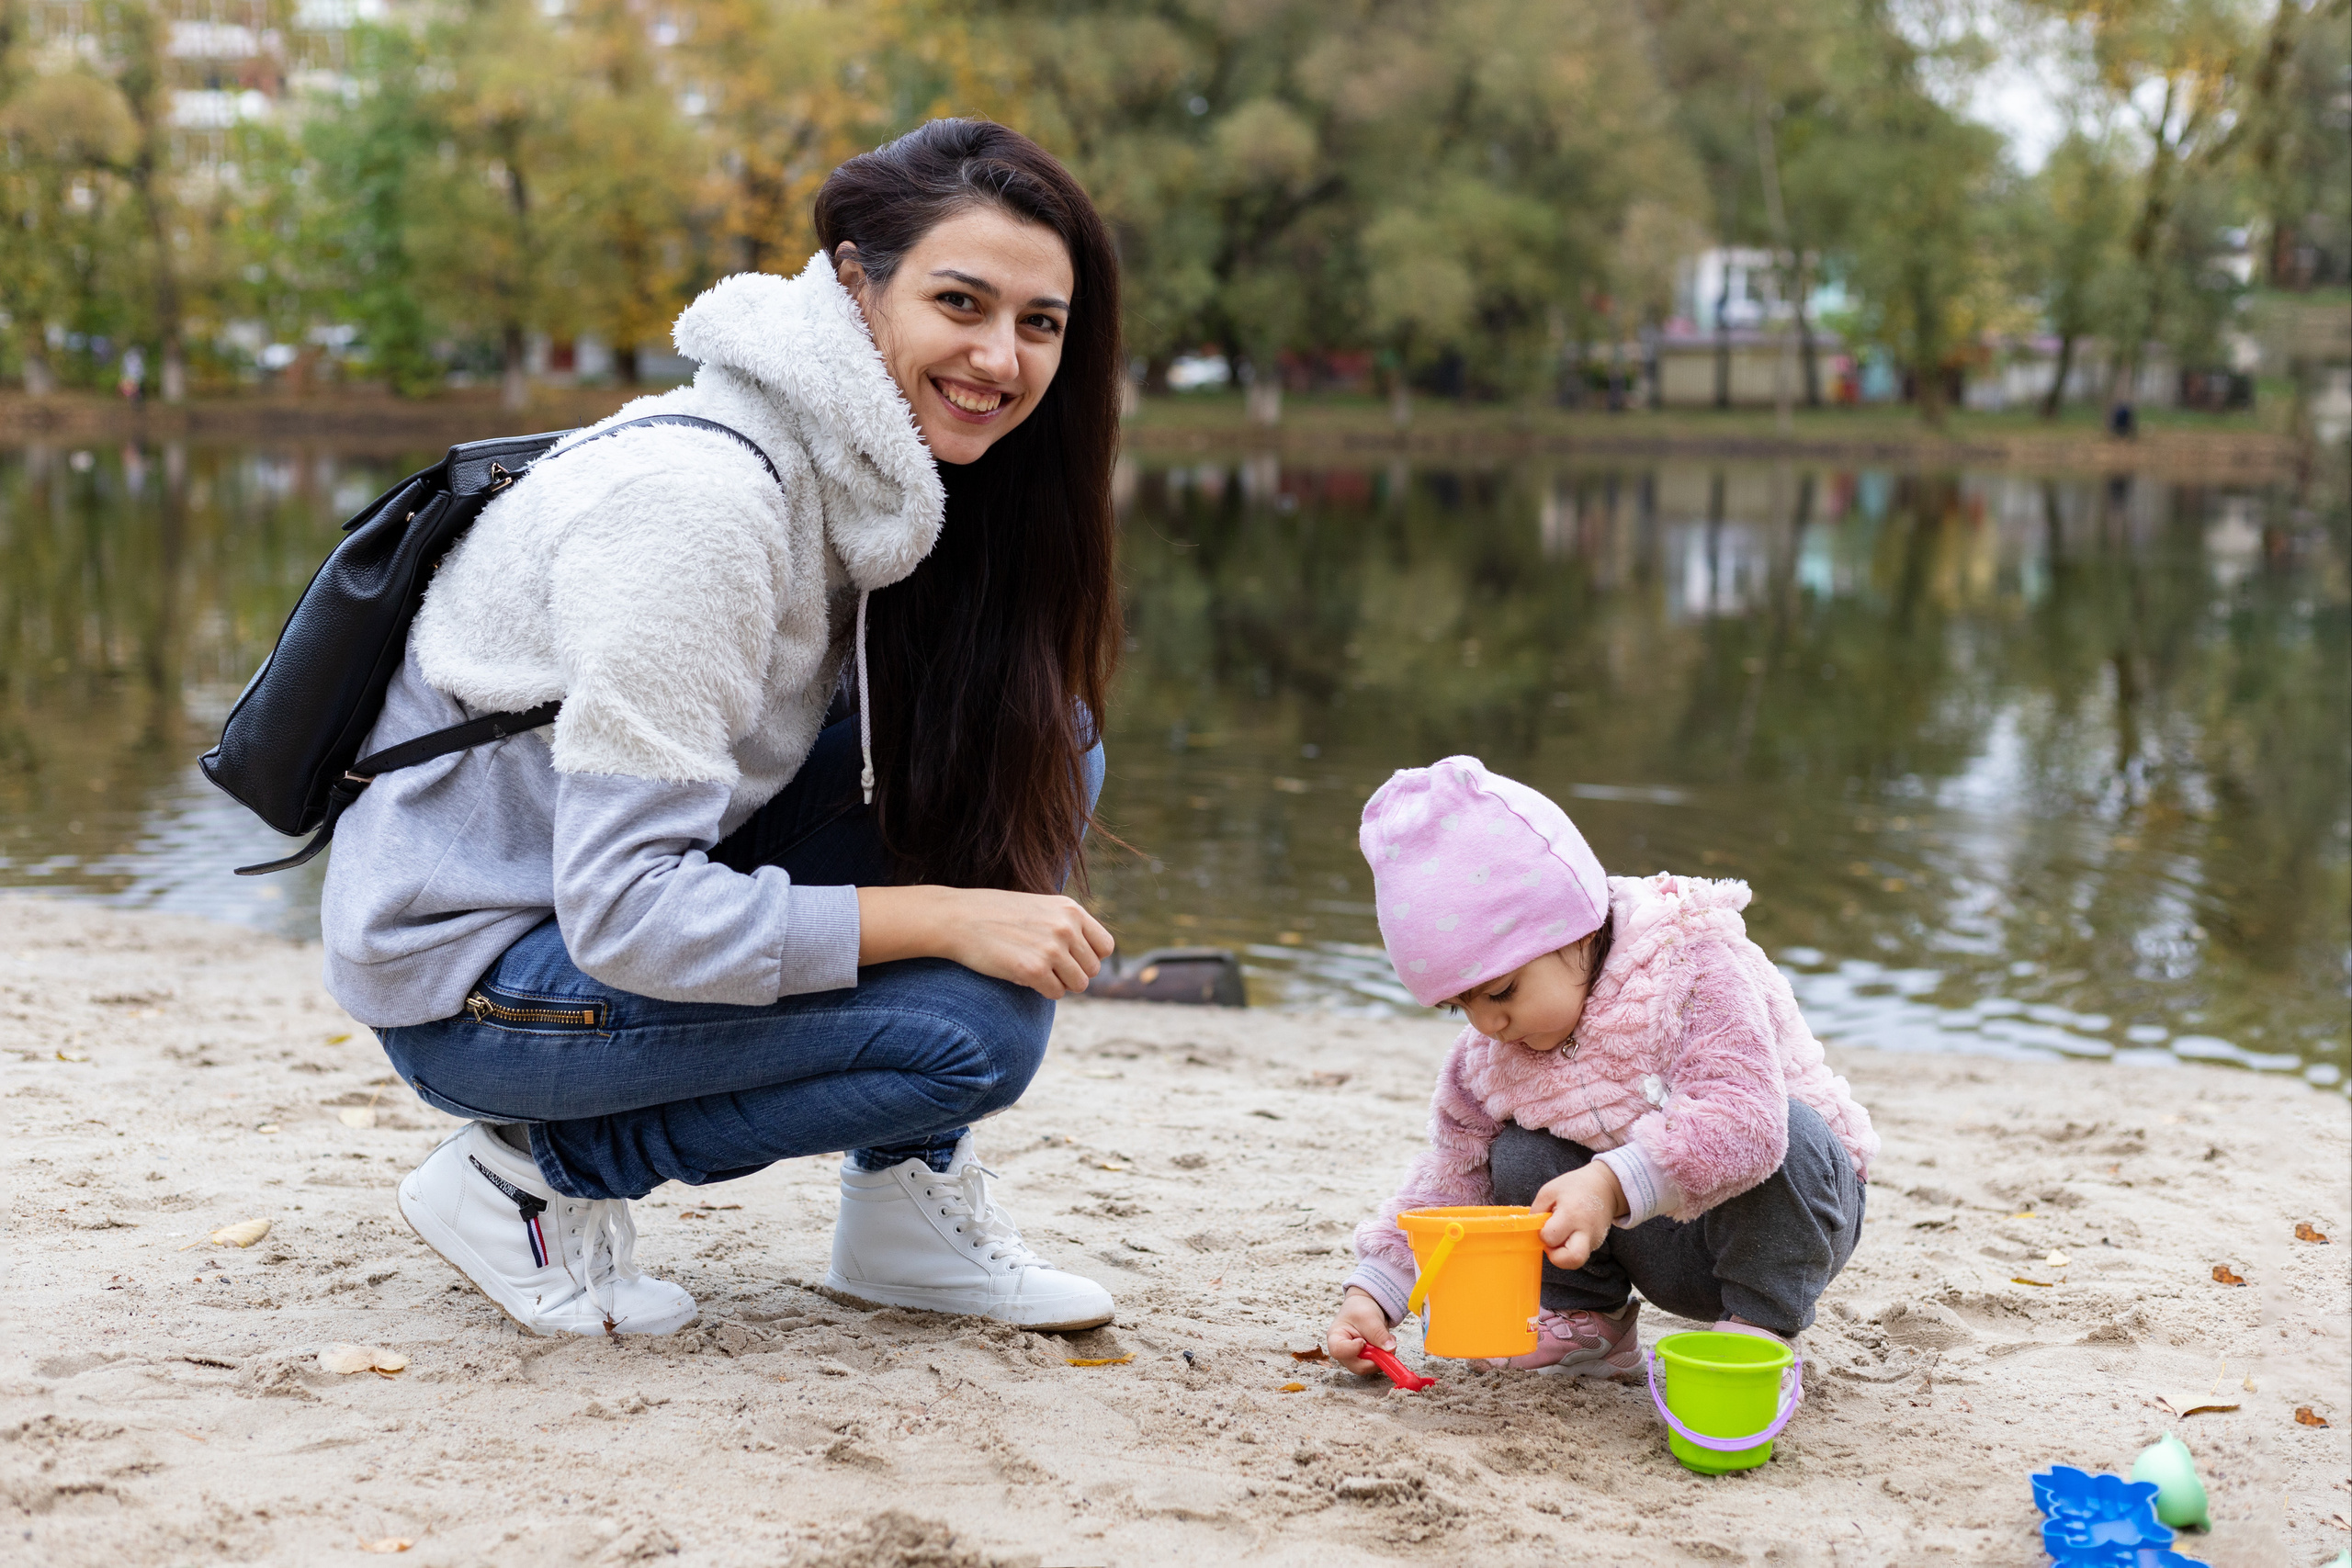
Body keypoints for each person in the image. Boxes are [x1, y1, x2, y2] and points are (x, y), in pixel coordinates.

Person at [319, 119, 1127, 1338]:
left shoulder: (869, 477)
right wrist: (947, 916)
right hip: (476, 978)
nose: (1000, 357)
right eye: (959, 301)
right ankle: (527, 1180)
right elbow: (628, 907)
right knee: (971, 1028)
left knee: (1035, 735)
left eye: (1040, 323)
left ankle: (907, 1205)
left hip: (587, 919)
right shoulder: (704, 508)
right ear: (855, 282)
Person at [1325, 757, 1877, 1380]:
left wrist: (1609, 1183)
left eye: (1502, 991)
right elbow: (1452, 1181)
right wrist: (1376, 1293)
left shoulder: (1689, 960)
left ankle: (1758, 1329)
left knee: (1795, 1134)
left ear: (1577, 928)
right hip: (1643, 1239)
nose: (1485, 1023)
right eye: (1460, 1003)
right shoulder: (1488, 1057)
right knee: (1515, 1148)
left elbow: (1747, 1123)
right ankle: (1589, 1319)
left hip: (1783, 1218)